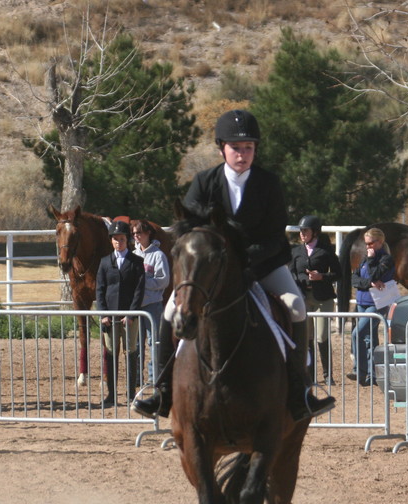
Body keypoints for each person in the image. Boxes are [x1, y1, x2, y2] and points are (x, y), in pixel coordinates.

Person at [133, 109, 335, 421]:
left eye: (248, 148)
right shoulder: (204, 182)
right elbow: (187, 230)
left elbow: (273, 235)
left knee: (296, 306)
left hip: (264, 266)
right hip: (211, 270)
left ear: (255, 150)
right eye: (236, 148)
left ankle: (300, 392)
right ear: (221, 149)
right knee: (173, 309)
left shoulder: (269, 184)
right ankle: (161, 391)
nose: (242, 154)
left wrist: (246, 265)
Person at [95, 220, 146, 409]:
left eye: (122, 239)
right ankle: (111, 394)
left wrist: (131, 314)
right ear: (111, 241)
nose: (118, 242)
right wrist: (103, 314)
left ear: (128, 240)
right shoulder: (105, 262)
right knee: (110, 353)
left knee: (131, 352)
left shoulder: (137, 262)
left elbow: (139, 290)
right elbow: (99, 290)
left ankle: (132, 393)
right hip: (110, 317)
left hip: (129, 316)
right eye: (115, 239)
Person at [289, 215, 341, 385]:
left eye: (306, 231)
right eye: (301, 231)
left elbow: (338, 273)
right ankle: (310, 375)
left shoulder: (326, 251)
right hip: (304, 297)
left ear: (315, 232)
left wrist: (322, 276)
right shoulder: (296, 251)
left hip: (322, 298)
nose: (302, 234)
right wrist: (300, 281)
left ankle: (327, 375)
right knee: (308, 337)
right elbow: (292, 273)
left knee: (321, 336)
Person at [349, 227, 395, 387]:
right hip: (362, 302)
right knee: (370, 337)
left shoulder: (386, 259)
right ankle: (373, 374)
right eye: (366, 244)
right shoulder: (364, 259)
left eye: (370, 243)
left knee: (357, 334)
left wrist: (371, 261)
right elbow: (354, 279)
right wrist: (369, 283)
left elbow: (376, 274)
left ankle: (359, 371)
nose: (367, 247)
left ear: (380, 242)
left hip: (378, 303)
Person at [131, 219, 170, 384]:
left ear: (147, 234)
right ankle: (137, 377)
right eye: (134, 234)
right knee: (136, 343)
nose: (136, 237)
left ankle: (154, 377)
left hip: (152, 304)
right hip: (135, 305)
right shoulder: (133, 255)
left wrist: (144, 283)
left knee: (154, 341)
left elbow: (163, 280)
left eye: (139, 233)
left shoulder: (158, 255)